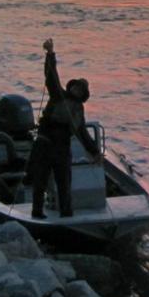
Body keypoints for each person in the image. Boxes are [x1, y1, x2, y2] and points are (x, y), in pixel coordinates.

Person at [25, 38, 100, 219]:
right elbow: (51, 76)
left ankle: (66, 213)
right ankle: (37, 211)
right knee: (40, 180)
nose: (77, 90)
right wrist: (50, 54)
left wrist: (94, 151)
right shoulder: (58, 95)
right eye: (75, 86)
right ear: (71, 86)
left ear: (83, 95)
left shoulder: (78, 110)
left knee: (64, 182)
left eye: (80, 90)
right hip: (45, 143)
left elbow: (82, 133)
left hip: (62, 147)